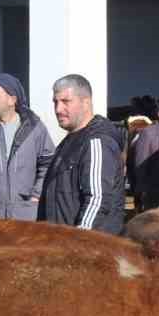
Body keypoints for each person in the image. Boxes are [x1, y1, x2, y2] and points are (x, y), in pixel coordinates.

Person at [38, 74, 125, 234]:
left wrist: (79, 242)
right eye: (55, 102)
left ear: (86, 102)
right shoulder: (68, 143)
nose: (58, 109)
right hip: (58, 244)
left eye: (66, 101)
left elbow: (98, 200)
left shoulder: (97, 142)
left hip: (85, 250)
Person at [0, 73, 55, 221]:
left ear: (12, 100)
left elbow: (48, 164)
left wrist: (36, 197)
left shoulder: (34, 127)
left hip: (25, 217)